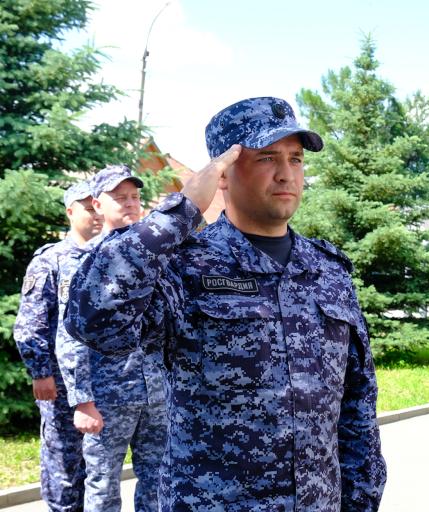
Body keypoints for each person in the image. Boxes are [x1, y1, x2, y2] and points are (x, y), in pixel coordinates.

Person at [65, 97, 387, 511]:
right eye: (267, 157)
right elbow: (92, 318)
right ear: (222, 173)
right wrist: (178, 212)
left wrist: (362, 501)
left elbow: (357, 402)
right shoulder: (185, 266)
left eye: (296, 158)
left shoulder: (327, 269)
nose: (286, 173)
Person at [56, 165, 166, 512]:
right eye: (120, 198)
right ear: (97, 205)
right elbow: (70, 336)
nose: (130, 204)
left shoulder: (157, 257)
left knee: (160, 481)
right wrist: (82, 400)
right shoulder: (86, 261)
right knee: (103, 484)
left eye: (134, 197)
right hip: (108, 395)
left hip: (159, 394)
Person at [13, 179, 101, 511]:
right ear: (70, 211)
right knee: (64, 463)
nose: (95, 214)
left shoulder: (109, 255)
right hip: (61, 384)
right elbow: (30, 324)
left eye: (97, 206)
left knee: (97, 467)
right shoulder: (51, 261)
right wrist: (41, 373)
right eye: (86, 207)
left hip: (103, 382)